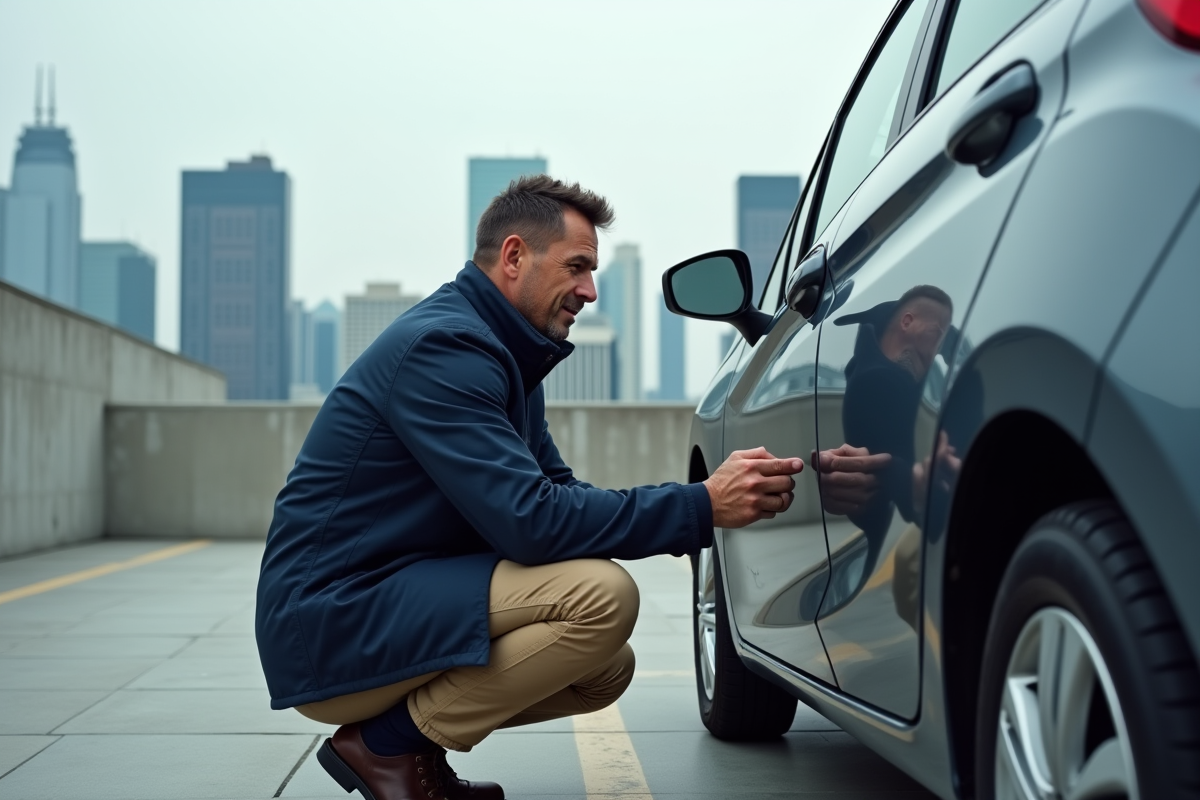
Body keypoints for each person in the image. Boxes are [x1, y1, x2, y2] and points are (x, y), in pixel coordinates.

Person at [255, 175, 804, 800]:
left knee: (604, 669)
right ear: (514, 256)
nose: (590, 291)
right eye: (577, 266)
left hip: (387, 595)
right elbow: (534, 523)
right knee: (602, 598)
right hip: (333, 621)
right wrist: (700, 504)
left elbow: (556, 492)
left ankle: (407, 749)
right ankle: (383, 748)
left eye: (592, 271)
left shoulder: (505, 353)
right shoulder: (445, 347)